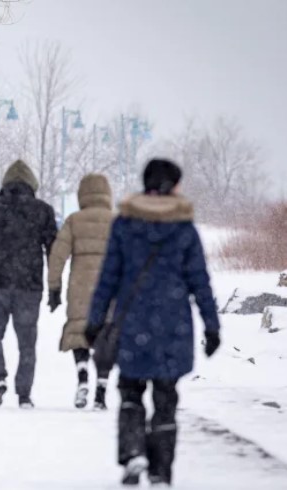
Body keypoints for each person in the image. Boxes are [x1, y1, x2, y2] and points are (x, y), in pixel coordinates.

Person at [86, 159, 220, 487]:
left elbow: (108, 278)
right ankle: (160, 469)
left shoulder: (125, 224)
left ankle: (133, 453)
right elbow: (199, 281)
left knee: (131, 391)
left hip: (132, 323)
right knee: (165, 397)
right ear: (172, 185)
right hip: (173, 326)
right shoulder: (184, 229)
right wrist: (211, 325)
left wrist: (95, 320)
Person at [0, 160, 57, 409]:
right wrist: (55, 287)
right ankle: (24, 394)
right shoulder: (43, 211)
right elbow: (53, 252)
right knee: (27, 341)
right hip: (29, 286)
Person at [47, 174, 114, 411]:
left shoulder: (74, 221)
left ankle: (83, 376)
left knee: (79, 331)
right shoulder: (117, 221)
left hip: (80, 287)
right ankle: (101, 393)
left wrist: (53, 287)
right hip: (109, 290)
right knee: (106, 337)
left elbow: (57, 255)